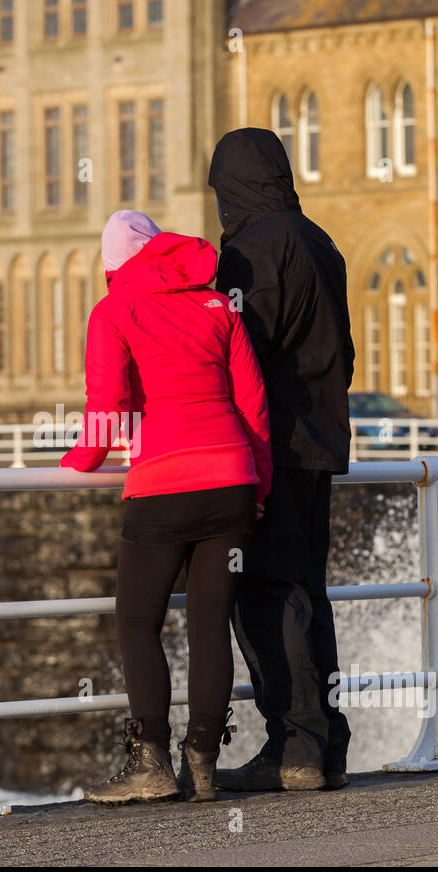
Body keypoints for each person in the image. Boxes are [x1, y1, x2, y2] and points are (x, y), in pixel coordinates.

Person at [61, 210, 272, 805]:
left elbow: (105, 407)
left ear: (113, 265)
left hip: (162, 486)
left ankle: (151, 760)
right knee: (210, 625)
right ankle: (203, 763)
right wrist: (257, 488)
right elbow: (253, 408)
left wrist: (81, 460)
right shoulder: (218, 306)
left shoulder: (114, 310)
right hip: (231, 480)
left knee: (136, 621)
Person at [206, 128, 355, 792]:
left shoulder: (249, 253)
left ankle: (294, 744)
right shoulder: (322, 242)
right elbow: (343, 354)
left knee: (268, 594)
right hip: (321, 445)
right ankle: (325, 744)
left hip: (270, 450)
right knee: (308, 593)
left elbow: (242, 360)